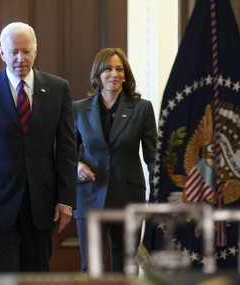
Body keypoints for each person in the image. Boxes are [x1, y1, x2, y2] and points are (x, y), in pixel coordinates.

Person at [0, 22, 77, 272]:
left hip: (43, 203)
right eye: (13, 52)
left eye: (26, 51)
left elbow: (67, 150)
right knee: (7, 276)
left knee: (37, 275)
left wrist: (66, 200)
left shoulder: (59, 89)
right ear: (2, 52)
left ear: (36, 51)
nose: (20, 59)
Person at [73, 48, 157, 272]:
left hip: (128, 196)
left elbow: (153, 156)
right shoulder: (78, 109)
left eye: (120, 69)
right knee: (91, 267)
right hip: (89, 195)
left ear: (126, 74)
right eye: (108, 69)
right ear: (98, 74)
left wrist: (159, 192)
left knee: (126, 266)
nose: (114, 74)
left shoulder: (142, 108)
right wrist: (76, 166)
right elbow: (66, 153)